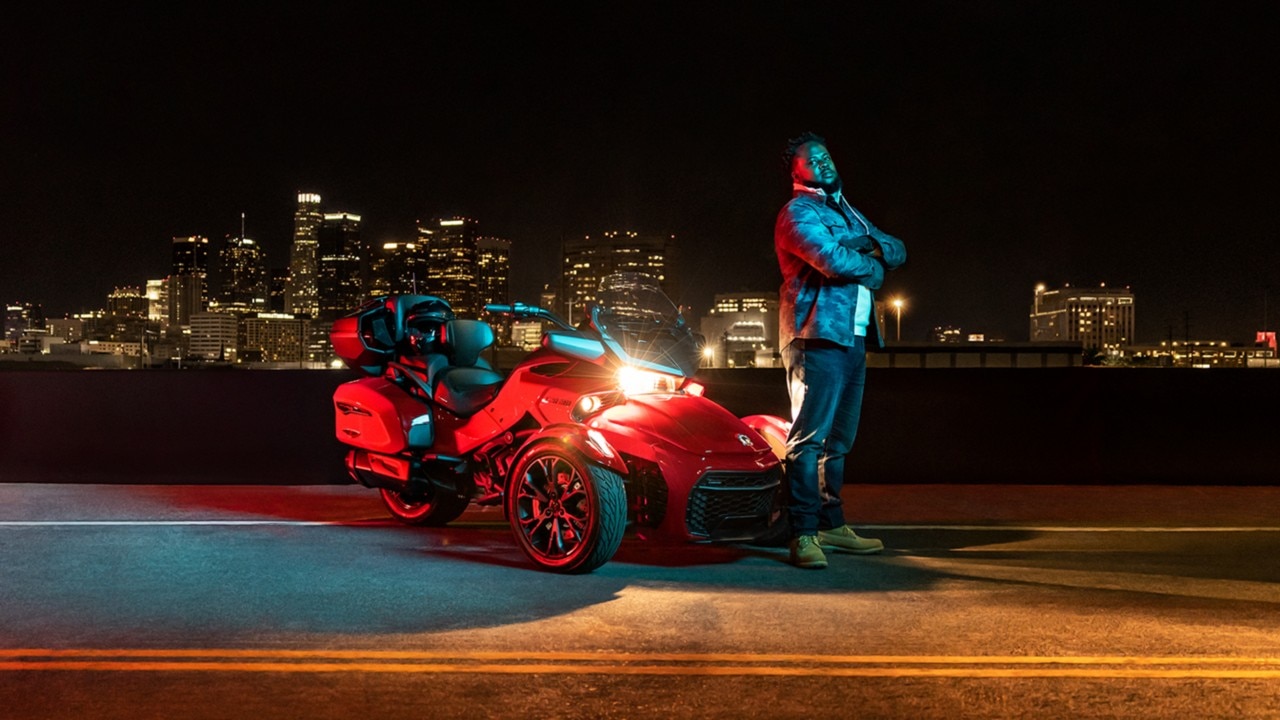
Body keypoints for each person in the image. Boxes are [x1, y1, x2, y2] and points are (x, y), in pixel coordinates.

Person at [774, 132, 907, 569]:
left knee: (839, 441)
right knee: (808, 438)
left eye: (826, 155)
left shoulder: (847, 212)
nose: (822, 163)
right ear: (796, 172)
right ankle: (803, 534)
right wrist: (871, 264)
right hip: (817, 337)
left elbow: (897, 249)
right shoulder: (798, 212)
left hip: (852, 338)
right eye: (811, 160)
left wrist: (866, 246)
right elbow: (831, 260)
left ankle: (832, 525)